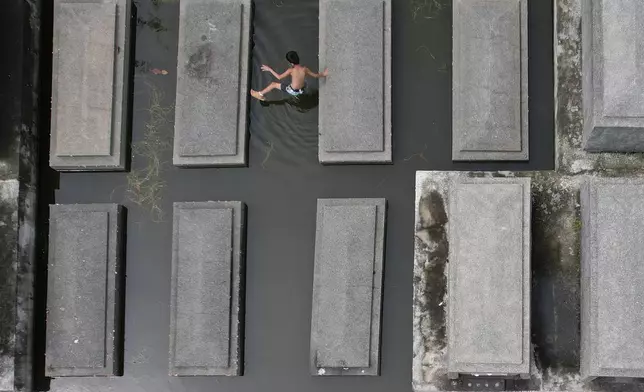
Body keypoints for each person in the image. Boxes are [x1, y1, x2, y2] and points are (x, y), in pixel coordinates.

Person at [250, 51, 328, 101]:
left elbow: (279, 77)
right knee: (303, 81)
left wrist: (269, 69)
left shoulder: (291, 70)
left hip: (293, 91)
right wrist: (323, 74)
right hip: (302, 90)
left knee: (273, 84)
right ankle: (298, 94)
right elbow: (315, 76)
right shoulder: (305, 69)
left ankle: (260, 94)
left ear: (291, 63)